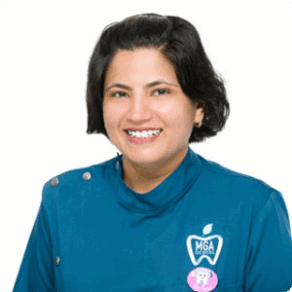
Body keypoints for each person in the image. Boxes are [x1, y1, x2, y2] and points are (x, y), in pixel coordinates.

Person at [13, 13, 292, 292]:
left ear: (199, 106)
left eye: (159, 91)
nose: (137, 114)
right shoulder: (64, 201)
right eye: (120, 94)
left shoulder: (255, 209)